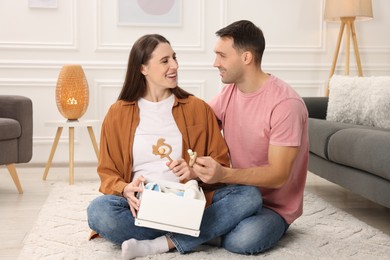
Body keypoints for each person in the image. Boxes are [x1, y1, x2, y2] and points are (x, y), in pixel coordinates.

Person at [86, 34, 262, 259]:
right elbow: (107, 173)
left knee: (250, 196)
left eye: (174, 58)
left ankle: (159, 244)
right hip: (143, 205)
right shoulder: (118, 113)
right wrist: (124, 188)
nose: (175, 66)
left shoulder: (197, 108)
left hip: (190, 203)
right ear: (143, 68)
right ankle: (205, 234)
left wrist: (193, 173)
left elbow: (220, 164)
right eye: (165, 61)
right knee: (98, 212)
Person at [193, 20, 309, 254]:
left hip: (273, 207)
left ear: (246, 58)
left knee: (243, 240)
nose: (215, 63)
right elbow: (198, 122)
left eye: (222, 56)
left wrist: (223, 173)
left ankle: (196, 232)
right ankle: (213, 228)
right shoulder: (230, 92)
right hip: (239, 194)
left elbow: (278, 176)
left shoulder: (285, 105)